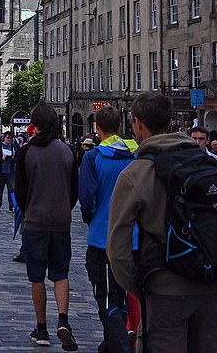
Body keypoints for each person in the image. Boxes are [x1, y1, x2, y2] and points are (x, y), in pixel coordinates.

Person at [108, 92, 217, 352]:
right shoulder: (209, 164)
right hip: (215, 287)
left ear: (138, 124)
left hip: (166, 291)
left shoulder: (136, 172)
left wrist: (140, 286)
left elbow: (117, 249)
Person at [14, 101, 79, 350]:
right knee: (61, 273)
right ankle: (63, 320)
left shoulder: (27, 152)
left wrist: (31, 208)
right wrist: (63, 208)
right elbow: (74, 190)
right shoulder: (67, 151)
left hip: (35, 222)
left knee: (37, 277)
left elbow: (20, 193)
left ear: (35, 125)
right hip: (61, 222)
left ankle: (41, 329)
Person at [79, 106, 138, 353]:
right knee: (125, 294)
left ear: (97, 127)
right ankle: (111, 342)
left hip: (103, 238)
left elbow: (87, 199)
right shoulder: (137, 155)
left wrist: (92, 218)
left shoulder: (93, 157)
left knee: (106, 298)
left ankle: (121, 345)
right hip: (134, 239)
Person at [0, 131, 17, 211]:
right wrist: (1, 159)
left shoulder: (13, 147)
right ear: (4, 138)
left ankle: (12, 205)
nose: (9, 140)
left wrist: (12, 159)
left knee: (12, 189)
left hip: (10, 172)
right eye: (8, 138)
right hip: (0, 171)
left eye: (11, 138)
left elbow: (18, 157)